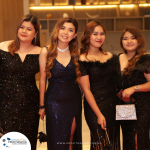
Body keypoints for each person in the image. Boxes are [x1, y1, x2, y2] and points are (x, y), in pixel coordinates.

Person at [38, 18, 82, 150]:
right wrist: (41, 105)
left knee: (71, 136)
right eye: (63, 28)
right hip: (53, 102)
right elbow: (42, 80)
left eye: (70, 30)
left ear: (74, 35)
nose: (66, 32)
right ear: (57, 30)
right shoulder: (46, 52)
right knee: (57, 138)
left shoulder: (77, 54)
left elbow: (81, 80)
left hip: (73, 101)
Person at [0, 14, 41, 150]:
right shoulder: (3, 47)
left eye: (29, 29)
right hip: (5, 104)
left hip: (30, 105)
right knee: (7, 142)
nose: (24, 31)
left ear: (36, 33)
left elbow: (48, 78)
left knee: (27, 142)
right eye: (22, 27)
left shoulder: (41, 52)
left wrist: (42, 106)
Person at [78, 20, 120, 150]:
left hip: (113, 106)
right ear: (87, 36)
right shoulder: (82, 59)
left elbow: (117, 83)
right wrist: (99, 114)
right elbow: (86, 90)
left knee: (113, 142)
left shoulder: (111, 57)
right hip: (94, 108)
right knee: (100, 144)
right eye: (95, 34)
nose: (99, 37)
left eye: (102, 34)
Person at [116, 26, 150, 150]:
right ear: (121, 41)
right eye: (125, 38)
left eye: (133, 38)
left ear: (139, 41)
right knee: (128, 138)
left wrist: (134, 88)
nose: (129, 41)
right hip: (124, 106)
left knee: (138, 139)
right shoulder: (117, 58)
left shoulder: (145, 60)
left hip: (142, 105)